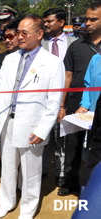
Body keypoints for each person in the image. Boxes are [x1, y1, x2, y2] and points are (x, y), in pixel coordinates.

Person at [0, 14, 64, 219]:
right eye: (18, 33)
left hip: (32, 125)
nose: (19, 37)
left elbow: (54, 101)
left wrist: (43, 129)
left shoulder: (52, 63)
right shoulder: (9, 58)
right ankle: (6, 203)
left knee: (31, 171)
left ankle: (28, 209)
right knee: (7, 167)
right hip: (7, 121)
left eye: (24, 33)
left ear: (39, 34)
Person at [57, 1, 101, 196]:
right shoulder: (76, 46)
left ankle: (92, 187)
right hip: (79, 106)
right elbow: (67, 76)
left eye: (94, 19)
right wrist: (63, 104)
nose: (88, 23)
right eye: (86, 19)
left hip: (98, 110)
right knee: (73, 146)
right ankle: (69, 182)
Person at [41, 8, 77, 187]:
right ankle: (42, 170)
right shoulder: (40, 44)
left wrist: (63, 103)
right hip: (43, 99)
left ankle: (61, 173)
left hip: (66, 99)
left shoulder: (74, 43)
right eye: (44, 21)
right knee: (43, 136)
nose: (45, 24)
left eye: (49, 21)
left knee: (62, 138)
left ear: (61, 22)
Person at [0, 19, 21, 168]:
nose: (7, 41)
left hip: (25, 115)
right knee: (8, 156)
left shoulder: (37, 58)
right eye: (4, 37)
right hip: (5, 112)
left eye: (10, 37)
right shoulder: (2, 59)